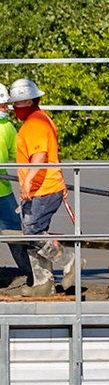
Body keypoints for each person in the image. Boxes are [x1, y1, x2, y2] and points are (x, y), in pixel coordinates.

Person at [10, 79, 71, 293]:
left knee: (33, 233)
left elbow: (40, 155)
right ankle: (43, 285)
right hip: (41, 189)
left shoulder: (36, 123)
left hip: (43, 189)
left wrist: (27, 180)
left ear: (27, 101)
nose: (13, 108)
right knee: (35, 233)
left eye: (16, 103)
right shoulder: (40, 119)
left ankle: (69, 262)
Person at [0, 104, 23, 283]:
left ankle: (28, 272)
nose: (6, 108)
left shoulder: (8, 127)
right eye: (2, 105)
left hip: (3, 191)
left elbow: (19, 155)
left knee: (15, 232)